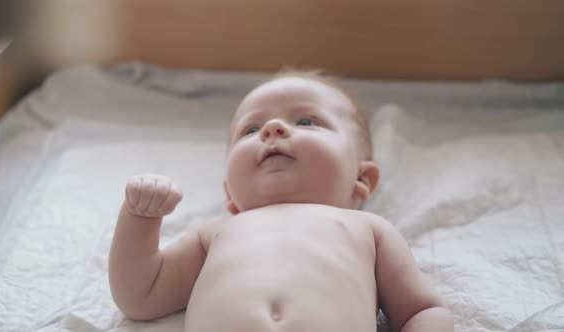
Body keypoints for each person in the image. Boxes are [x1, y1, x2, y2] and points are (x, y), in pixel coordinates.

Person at [108, 70, 454, 332]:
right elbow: (141, 294)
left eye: (306, 121)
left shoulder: (369, 230)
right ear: (230, 193)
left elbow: (421, 310)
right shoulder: (216, 234)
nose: (272, 128)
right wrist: (139, 218)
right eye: (250, 130)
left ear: (362, 180)